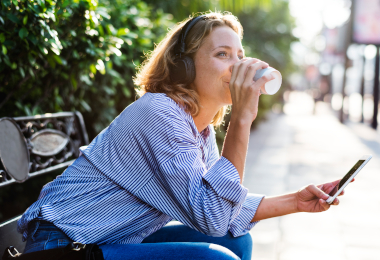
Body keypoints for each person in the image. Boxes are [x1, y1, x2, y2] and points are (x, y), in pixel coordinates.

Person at [17, 11, 344, 260]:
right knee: (215, 257)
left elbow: (225, 213)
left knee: (237, 240)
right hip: (62, 246)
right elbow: (213, 216)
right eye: (222, 55)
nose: (237, 66)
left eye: (240, 56)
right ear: (185, 66)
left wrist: (296, 202)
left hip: (106, 239)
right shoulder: (159, 113)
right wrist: (242, 119)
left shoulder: (198, 130)